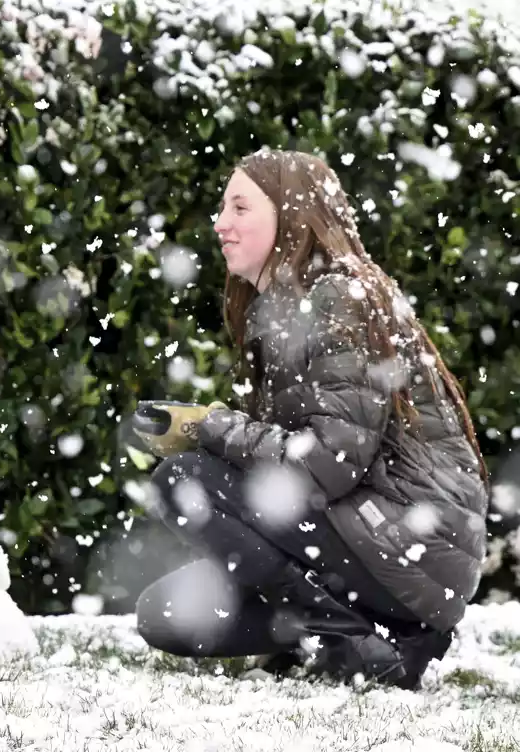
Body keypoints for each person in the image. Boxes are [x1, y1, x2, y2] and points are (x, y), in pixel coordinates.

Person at [131, 149, 489, 689]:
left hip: (413, 551)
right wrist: (208, 434)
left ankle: (345, 639)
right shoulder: (284, 308)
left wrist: (209, 427)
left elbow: (328, 463)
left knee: (185, 480)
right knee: (165, 612)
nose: (221, 223)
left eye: (240, 207)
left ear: (291, 214)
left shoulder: (340, 297)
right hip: (372, 545)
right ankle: (382, 640)